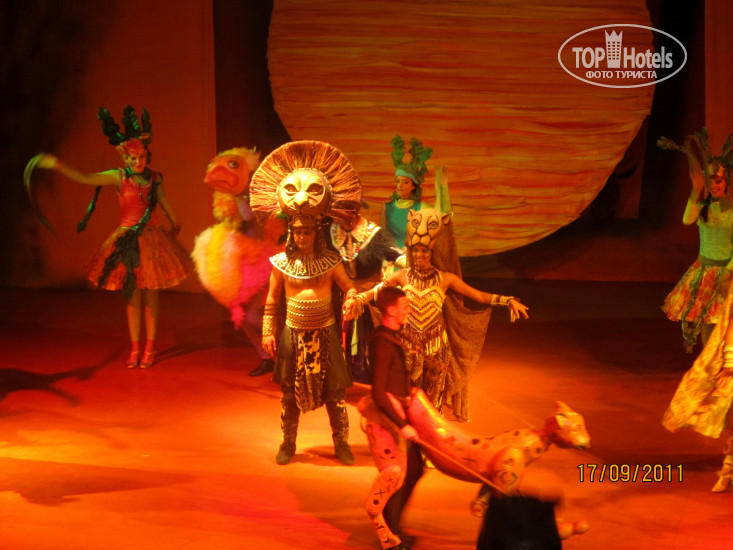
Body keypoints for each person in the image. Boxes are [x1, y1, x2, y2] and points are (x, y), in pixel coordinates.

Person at [28, 106, 189, 369]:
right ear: (126, 158)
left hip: (151, 240)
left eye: (142, 157)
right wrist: (57, 165)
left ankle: (150, 347)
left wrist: (174, 226)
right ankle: (135, 347)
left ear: (147, 155)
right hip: (126, 241)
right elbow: (85, 178)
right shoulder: (118, 177)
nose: (138, 162)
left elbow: (167, 207)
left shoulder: (155, 178)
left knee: (151, 296)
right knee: (133, 296)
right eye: (133, 158)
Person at [348, 207, 529, 421]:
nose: (419, 255)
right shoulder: (402, 275)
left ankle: (431, 433)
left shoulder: (445, 279)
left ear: (434, 252)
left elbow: (478, 295)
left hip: (435, 347)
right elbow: (377, 291)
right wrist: (357, 299)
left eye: (424, 251)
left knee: (433, 402)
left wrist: (507, 301)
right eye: (415, 250)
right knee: (406, 397)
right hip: (408, 346)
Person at [249, 140, 362, 466]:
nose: (302, 237)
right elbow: (272, 300)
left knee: (335, 395)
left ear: (316, 232)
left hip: (325, 333)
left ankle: (341, 443)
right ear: (291, 233)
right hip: (292, 334)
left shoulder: (331, 262)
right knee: (289, 394)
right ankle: (288, 443)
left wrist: (352, 298)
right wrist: (267, 332)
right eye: (298, 232)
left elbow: (349, 286)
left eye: (307, 232)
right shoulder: (280, 264)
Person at [192, 147, 285, 377]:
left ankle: (284, 354)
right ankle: (268, 356)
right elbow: (233, 221)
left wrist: (240, 195)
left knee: (255, 315)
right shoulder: (230, 200)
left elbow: (250, 216)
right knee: (243, 315)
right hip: (247, 262)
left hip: (267, 262)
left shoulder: (261, 197)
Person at [359, 286, 423, 550]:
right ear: (391, 309)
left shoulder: (391, 337)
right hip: (388, 422)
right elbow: (379, 392)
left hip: (397, 417)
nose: (409, 310)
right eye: (404, 306)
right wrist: (403, 425)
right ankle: (390, 537)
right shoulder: (383, 344)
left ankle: (393, 528)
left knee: (414, 470)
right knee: (396, 476)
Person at [658, 129, 733, 353]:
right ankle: (708, 363)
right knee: (706, 321)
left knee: (726, 322)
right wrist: (694, 191)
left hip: (728, 272)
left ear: (726, 181)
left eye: (718, 180)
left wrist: (728, 272)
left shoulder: (732, 211)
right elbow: (687, 219)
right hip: (705, 273)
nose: (714, 185)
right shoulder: (702, 207)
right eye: (710, 181)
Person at [330, 213, 401, 383]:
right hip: (341, 296)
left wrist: (412, 261)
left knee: (370, 339)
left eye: (349, 211)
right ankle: (349, 374)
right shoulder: (331, 232)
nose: (344, 216)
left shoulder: (374, 234)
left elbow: (395, 255)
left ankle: (373, 376)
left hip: (369, 298)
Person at [380, 135, 432, 251]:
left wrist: (441, 185)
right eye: (397, 181)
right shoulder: (386, 208)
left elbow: (445, 215)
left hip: (413, 255)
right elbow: (383, 237)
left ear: (413, 186)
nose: (399, 186)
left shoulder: (421, 208)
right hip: (392, 256)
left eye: (405, 182)